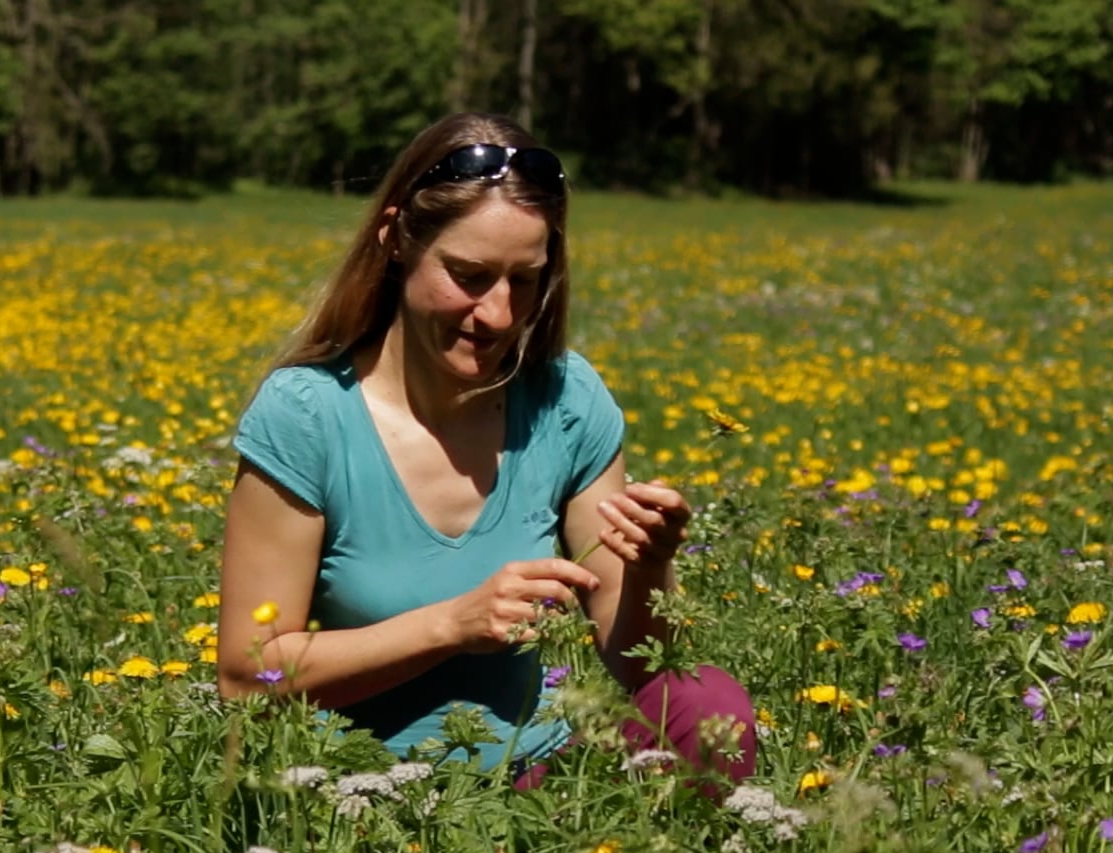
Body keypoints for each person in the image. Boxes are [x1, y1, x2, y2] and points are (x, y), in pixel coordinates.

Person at [216, 112, 756, 792]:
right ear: (396, 241)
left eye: (523, 281)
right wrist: (450, 625)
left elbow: (640, 666)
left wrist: (650, 567)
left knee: (709, 706)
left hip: (538, 787)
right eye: (468, 275)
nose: (498, 313)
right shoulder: (308, 415)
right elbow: (245, 676)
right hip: (359, 802)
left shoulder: (564, 400)